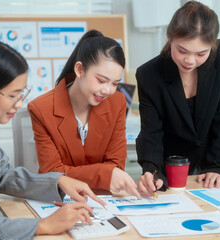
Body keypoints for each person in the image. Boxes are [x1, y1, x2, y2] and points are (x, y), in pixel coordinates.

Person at [0, 41, 105, 239]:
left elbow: (3, 175)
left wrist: (59, 181)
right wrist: (43, 225)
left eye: (22, 93)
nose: (20, 103)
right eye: (13, 95)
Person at [136, 1, 220, 195]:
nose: (190, 60)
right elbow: (151, 132)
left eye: (201, 53)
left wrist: (218, 165)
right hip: (176, 167)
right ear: (170, 38)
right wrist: (152, 170)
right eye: (182, 51)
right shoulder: (148, 75)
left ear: (213, 46)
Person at [28, 30, 140, 198]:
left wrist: (107, 173)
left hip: (104, 200)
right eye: (101, 81)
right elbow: (52, 174)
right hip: (61, 200)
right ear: (80, 69)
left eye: (115, 83)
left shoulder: (117, 102)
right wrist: (105, 174)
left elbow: (116, 165)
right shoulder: (41, 108)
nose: (108, 90)